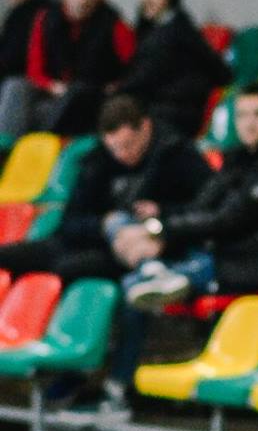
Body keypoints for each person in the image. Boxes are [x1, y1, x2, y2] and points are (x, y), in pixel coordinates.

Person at [118, 84, 258, 312]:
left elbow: (229, 219)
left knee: (136, 285)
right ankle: (161, 272)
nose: (249, 124)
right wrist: (161, 216)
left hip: (247, 263)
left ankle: (172, 276)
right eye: (242, 115)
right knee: (128, 270)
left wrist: (161, 228)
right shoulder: (238, 158)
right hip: (216, 253)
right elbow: (203, 204)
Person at [0, 93, 211, 287]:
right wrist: (103, 224)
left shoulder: (178, 154)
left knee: (70, 267)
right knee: (10, 256)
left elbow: (208, 208)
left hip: (152, 242)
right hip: (93, 240)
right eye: (115, 148)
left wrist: (161, 212)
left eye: (128, 145)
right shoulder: (98, 161)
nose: (122, 154)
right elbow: (71, 222)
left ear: (146, 126)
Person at [19, 0, 135, 138]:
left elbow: (134, 70)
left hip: (92, 98)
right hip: (55, 93)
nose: (82, 0)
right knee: (15, 86)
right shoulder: (46, 19)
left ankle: (44, 141)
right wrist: (54, 87)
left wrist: (115, 86)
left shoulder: (114, 24)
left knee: (79, 91)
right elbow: (34, 70)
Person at [113, 0, 230, 139]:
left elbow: (145, 78)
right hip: (157, 107)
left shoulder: (177, 32)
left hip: (174, 113)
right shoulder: (153, 29)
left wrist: (114, 93)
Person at [0, 0, 53, 143]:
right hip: (14, 82)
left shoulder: (47, 13)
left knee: (15, 87)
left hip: (34, 85)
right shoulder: (15, 14)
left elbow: (15, 61)